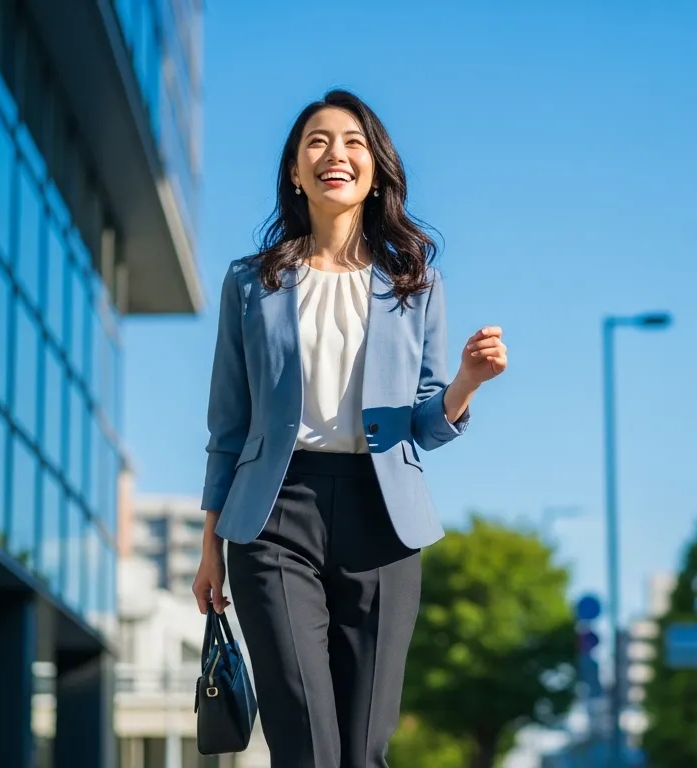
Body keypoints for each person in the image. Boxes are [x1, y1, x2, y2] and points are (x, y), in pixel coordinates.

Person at [191, 89, 507, 767]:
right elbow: (228, 423)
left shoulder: (414, 282)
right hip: (274, 516)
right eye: (317, 142)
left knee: (364, 749)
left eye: (353, 142)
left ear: (374, 170)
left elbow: (422, 421)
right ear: (296, 175)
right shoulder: (250, 283)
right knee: (306, 743)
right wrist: (210, 543)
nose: (336, 153)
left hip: (383, 519)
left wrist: (465, 384)